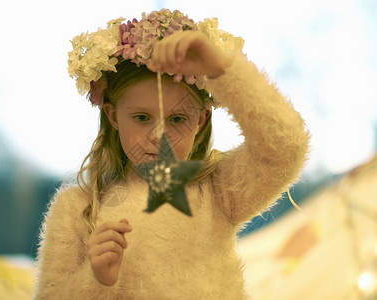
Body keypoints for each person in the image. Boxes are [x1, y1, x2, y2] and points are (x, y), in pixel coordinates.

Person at [34, 9, 310, 299]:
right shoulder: (76, 209)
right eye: (142, 117)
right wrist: (96, 279)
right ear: (113, 116)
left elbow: (286, 149)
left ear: (201, 120)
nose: (159, 137)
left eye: (178, 119)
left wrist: (221, 71)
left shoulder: (219, 191)